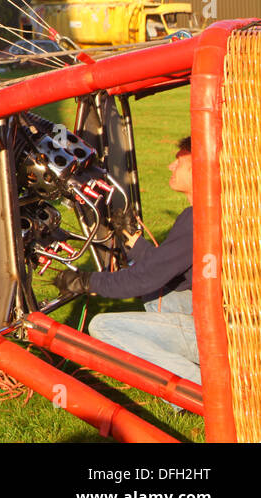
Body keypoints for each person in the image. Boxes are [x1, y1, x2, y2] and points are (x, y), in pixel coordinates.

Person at [53, 136, 199, 390]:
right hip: (215, 315)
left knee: (103, 326)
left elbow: (142, 278)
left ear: (200, 167)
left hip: (217, 332)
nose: (170, 167)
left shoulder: (198, 221)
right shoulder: (203, 213)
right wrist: (136, 244)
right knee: (155, 293)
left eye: (178, 161)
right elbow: (160, 270)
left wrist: (85, 282)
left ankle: (197, 388)